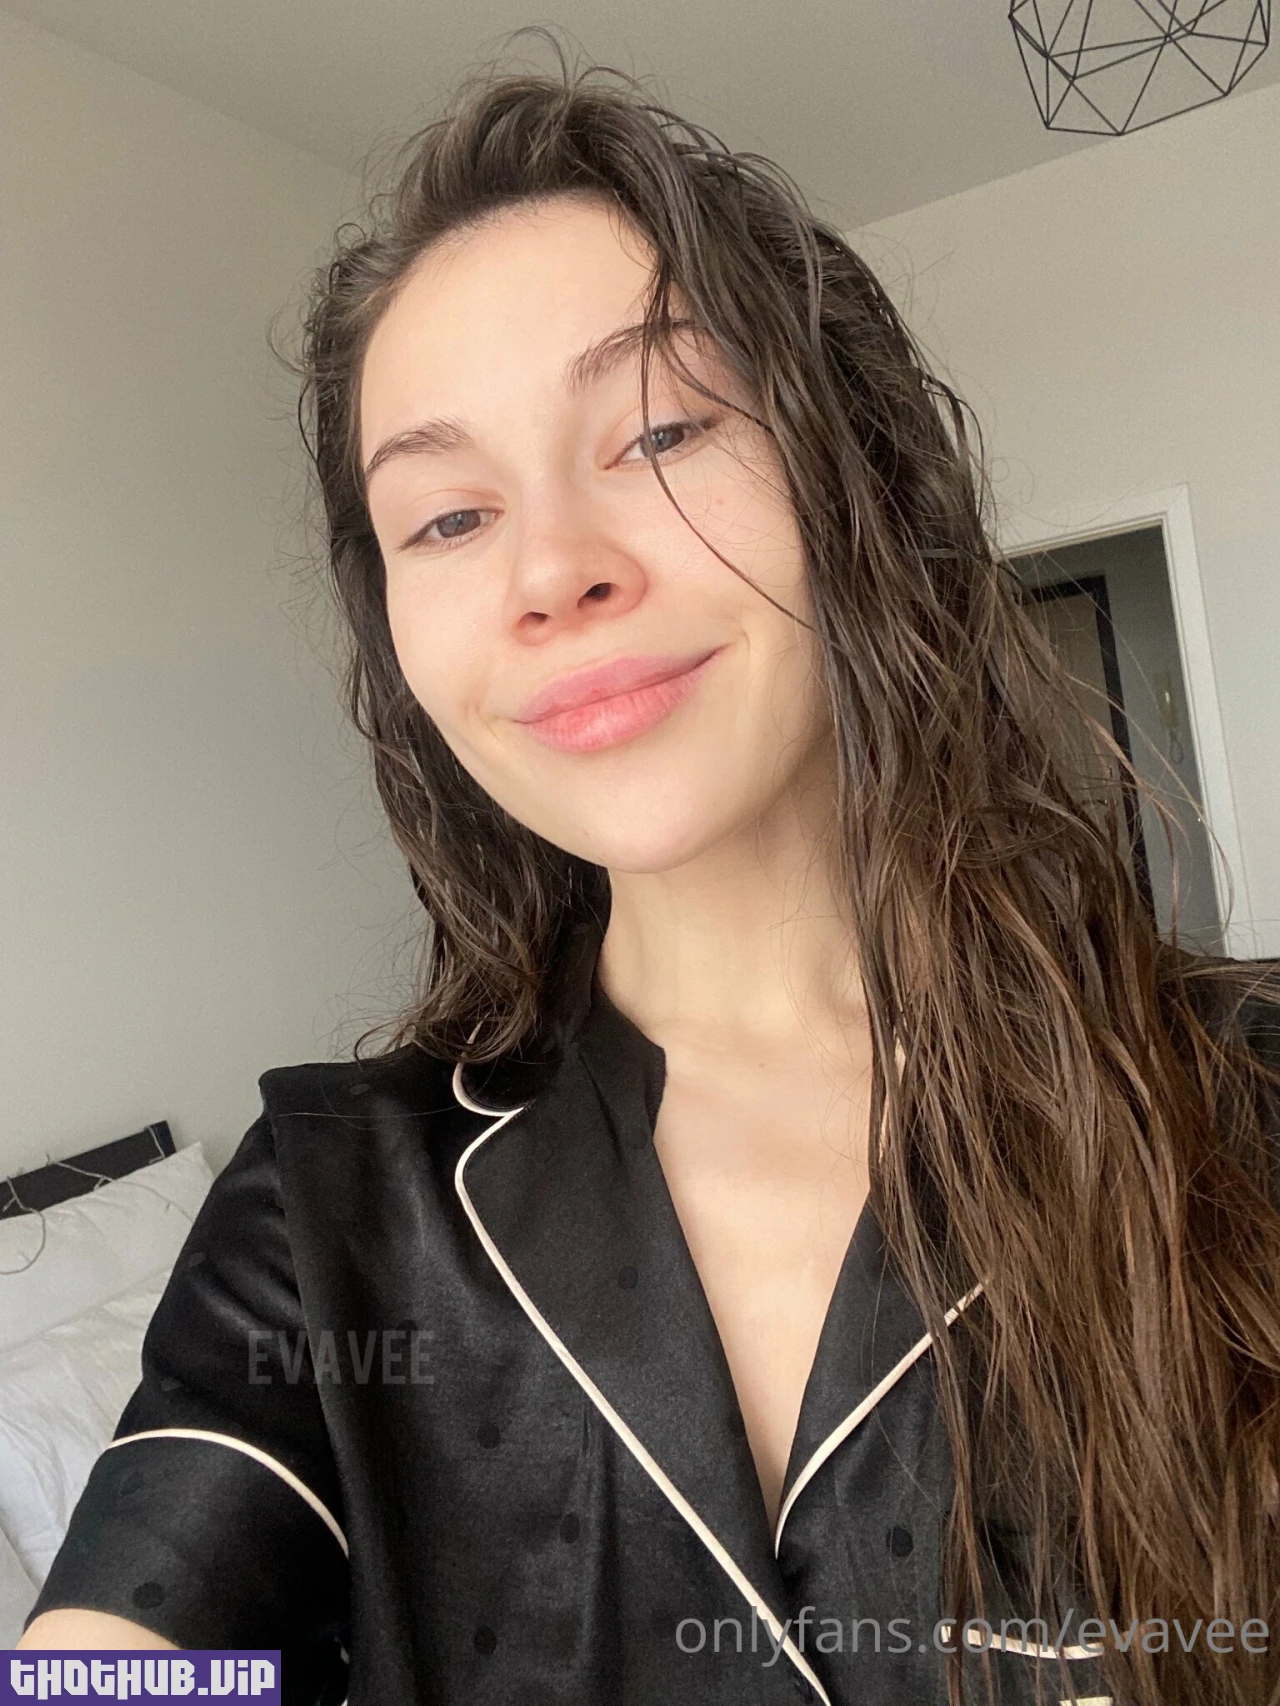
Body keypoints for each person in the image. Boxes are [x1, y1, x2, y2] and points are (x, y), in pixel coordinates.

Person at [20, 44, 1280, 1706]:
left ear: (855, 475)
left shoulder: (1242, 1098)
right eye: (447, 518)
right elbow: (120, 1657)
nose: (551, 569)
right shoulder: (330, 1210)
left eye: (662, 428)